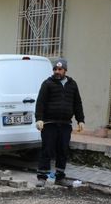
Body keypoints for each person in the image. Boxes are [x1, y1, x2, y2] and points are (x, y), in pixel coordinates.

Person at [34, 58, 85, 188]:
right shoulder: (47, 84)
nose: (57, 71)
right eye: (55, 69)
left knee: (63, 150)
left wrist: (81, 120)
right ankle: (42, 177)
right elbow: (40, 103)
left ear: (65, 70)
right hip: (49, 123)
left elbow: (77, 103)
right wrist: (39, 119)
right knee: (47, 149)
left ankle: (60, 177)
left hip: (65, 124)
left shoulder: (72, 84)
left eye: (60, 69)